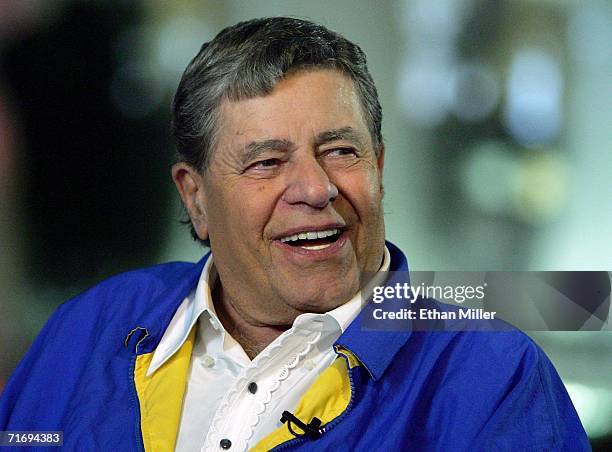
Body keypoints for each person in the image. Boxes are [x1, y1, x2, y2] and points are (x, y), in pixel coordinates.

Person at [0, 17, 589, 451]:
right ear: (195, 196)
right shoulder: (89, 328)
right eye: (266, 162)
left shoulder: (491, 378)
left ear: (378, 169)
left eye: (340, 151)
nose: (314, 188)